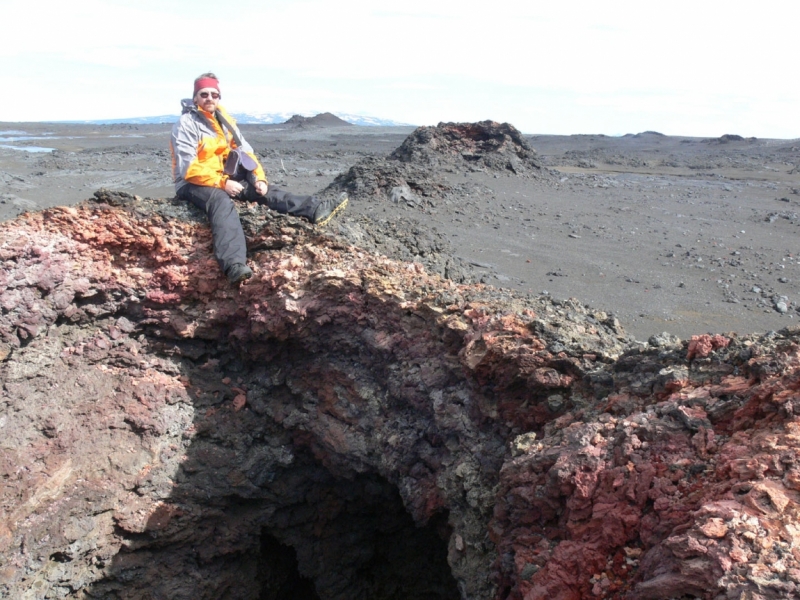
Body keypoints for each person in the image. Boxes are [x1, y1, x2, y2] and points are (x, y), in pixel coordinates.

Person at [170, 72, 348, 284]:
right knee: (220, 201)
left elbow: (246, 153)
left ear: (219, 97)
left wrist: (258, 179)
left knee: (261, 190)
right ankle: (233, 264)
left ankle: (314, 209)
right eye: (204, 94)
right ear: (195, 98)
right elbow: (188, 168)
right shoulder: (186, 124)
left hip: (223, 176)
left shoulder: (224, 120)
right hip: (192, 182)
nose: (210, 98)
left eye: (214, 94)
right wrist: (222, 183)